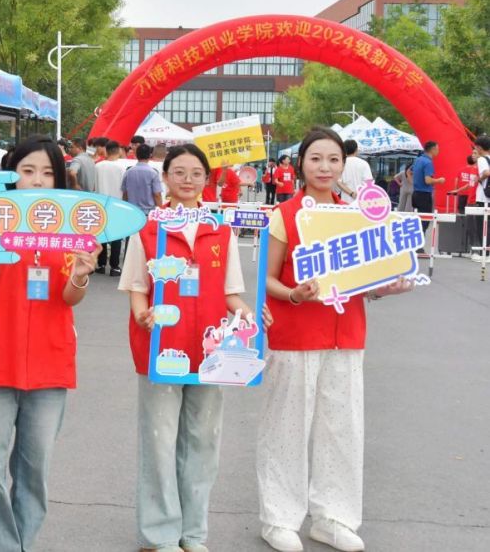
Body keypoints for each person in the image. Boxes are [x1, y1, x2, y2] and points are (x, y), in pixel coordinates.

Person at [256, 127, 414, 552]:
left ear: (344, 165)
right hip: (295, 335)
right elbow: (266, 278)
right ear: (301, 164)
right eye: (316, 159)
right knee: (286, 429)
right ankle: (279, 518)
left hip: (346, 336)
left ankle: (333, 517)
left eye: (333, 160)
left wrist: (386, 287)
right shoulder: (284, 214)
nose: (324, 167)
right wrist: (294, 294)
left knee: (342, 429)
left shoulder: (356, 216)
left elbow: (366, 280)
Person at [119, 143, 268, 552]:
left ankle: (193, 533)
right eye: (179, 172)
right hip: (160, 348)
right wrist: (143, 315)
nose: (187, 180)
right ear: (165, 178)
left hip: (210, 351)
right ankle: (159, 534)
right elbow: (136, 286)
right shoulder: (148, 229)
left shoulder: (220, 229)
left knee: (203, 440)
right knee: (159, 440)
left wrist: (250, 316)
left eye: (196, 173)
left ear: (207, 179)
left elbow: (231, 293)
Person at [0, 136, 99, 551]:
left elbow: (70, 297)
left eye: (47, 173)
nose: (37, 180)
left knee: (34, 474)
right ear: (11, 174)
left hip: (49, 364)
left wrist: (80, 276)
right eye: (28, 171)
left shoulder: (71, 228)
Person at [95, 141, 129, 276]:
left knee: (101, 235)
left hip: (100, 203)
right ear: (118, 151)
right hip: (117, 204)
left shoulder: (98, 166)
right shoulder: (122, 168)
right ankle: (114, 267)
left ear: (106, 150)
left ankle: (101, 264)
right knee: (116, 236)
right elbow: (125, 189)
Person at [412, 141, 446, 231]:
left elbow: (409, 172)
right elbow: (428, 180)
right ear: (433, 149)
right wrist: (439, 180)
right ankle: (421, 239)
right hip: (424, 195)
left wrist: (415, 182)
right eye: (437, 149)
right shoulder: (428, 163)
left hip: (415, 193)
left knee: (417, 220)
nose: (438, 151)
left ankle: (417, 238)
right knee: (424, 221)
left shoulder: (418, 160)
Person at [121, 144, 163, 213]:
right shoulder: (153, 173)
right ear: (150, 155)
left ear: (136, 155)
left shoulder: (128, 172)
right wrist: (160, 210)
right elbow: (157, 194)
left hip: (132, 211)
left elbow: (125, 193)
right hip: (148, 211)